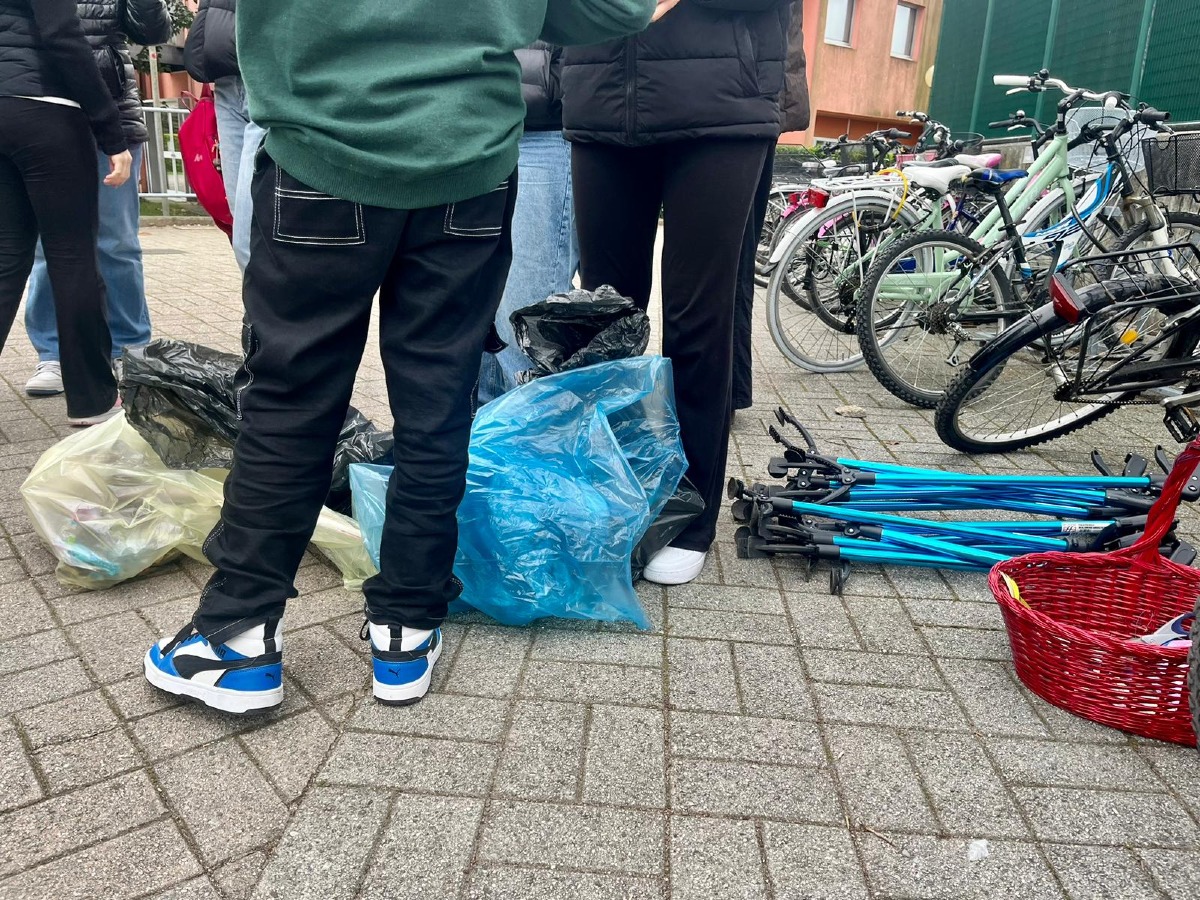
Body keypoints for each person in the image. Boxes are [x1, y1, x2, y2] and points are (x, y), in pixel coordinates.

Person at [143, 0, 659, 715]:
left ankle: (236, 635)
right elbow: (617, 9)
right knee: (440, 399)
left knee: (291, 397)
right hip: (467, 161)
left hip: (324, 143)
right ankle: (408, 628)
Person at [562, 0, 792, 585]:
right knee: (605, 321)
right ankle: (612, 500)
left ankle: (685, 515)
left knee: (697, 318)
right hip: (602, 94)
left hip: (721, 99)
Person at [22, 0, 171, 397]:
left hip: (113, 113)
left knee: (117, 243)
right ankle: (53, 353)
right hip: (46, 109)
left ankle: (131, 347)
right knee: (46, 245)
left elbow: (154, 33)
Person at [0, 0, 131, 424]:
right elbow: (62, 36)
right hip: (47, 107)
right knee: (71, 255)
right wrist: (110, 129)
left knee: (5, 258)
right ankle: (92, 399)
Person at [477, 41, 580, 403]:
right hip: (479, 121)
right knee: (476, 309)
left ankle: (532, 446)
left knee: (525, 316)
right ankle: (488, 444)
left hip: (546, 124)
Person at [733, 6, 808, 413]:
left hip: (749, 92)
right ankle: (730, 388)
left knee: (728, 268)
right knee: (730, 269)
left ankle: (729, 388)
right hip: (755, 86)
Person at [184, 0, 263, 273]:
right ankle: (259, 311)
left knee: (250, 228)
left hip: (266, 76)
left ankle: (265, 311)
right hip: (227, 80)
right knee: (240, 223)